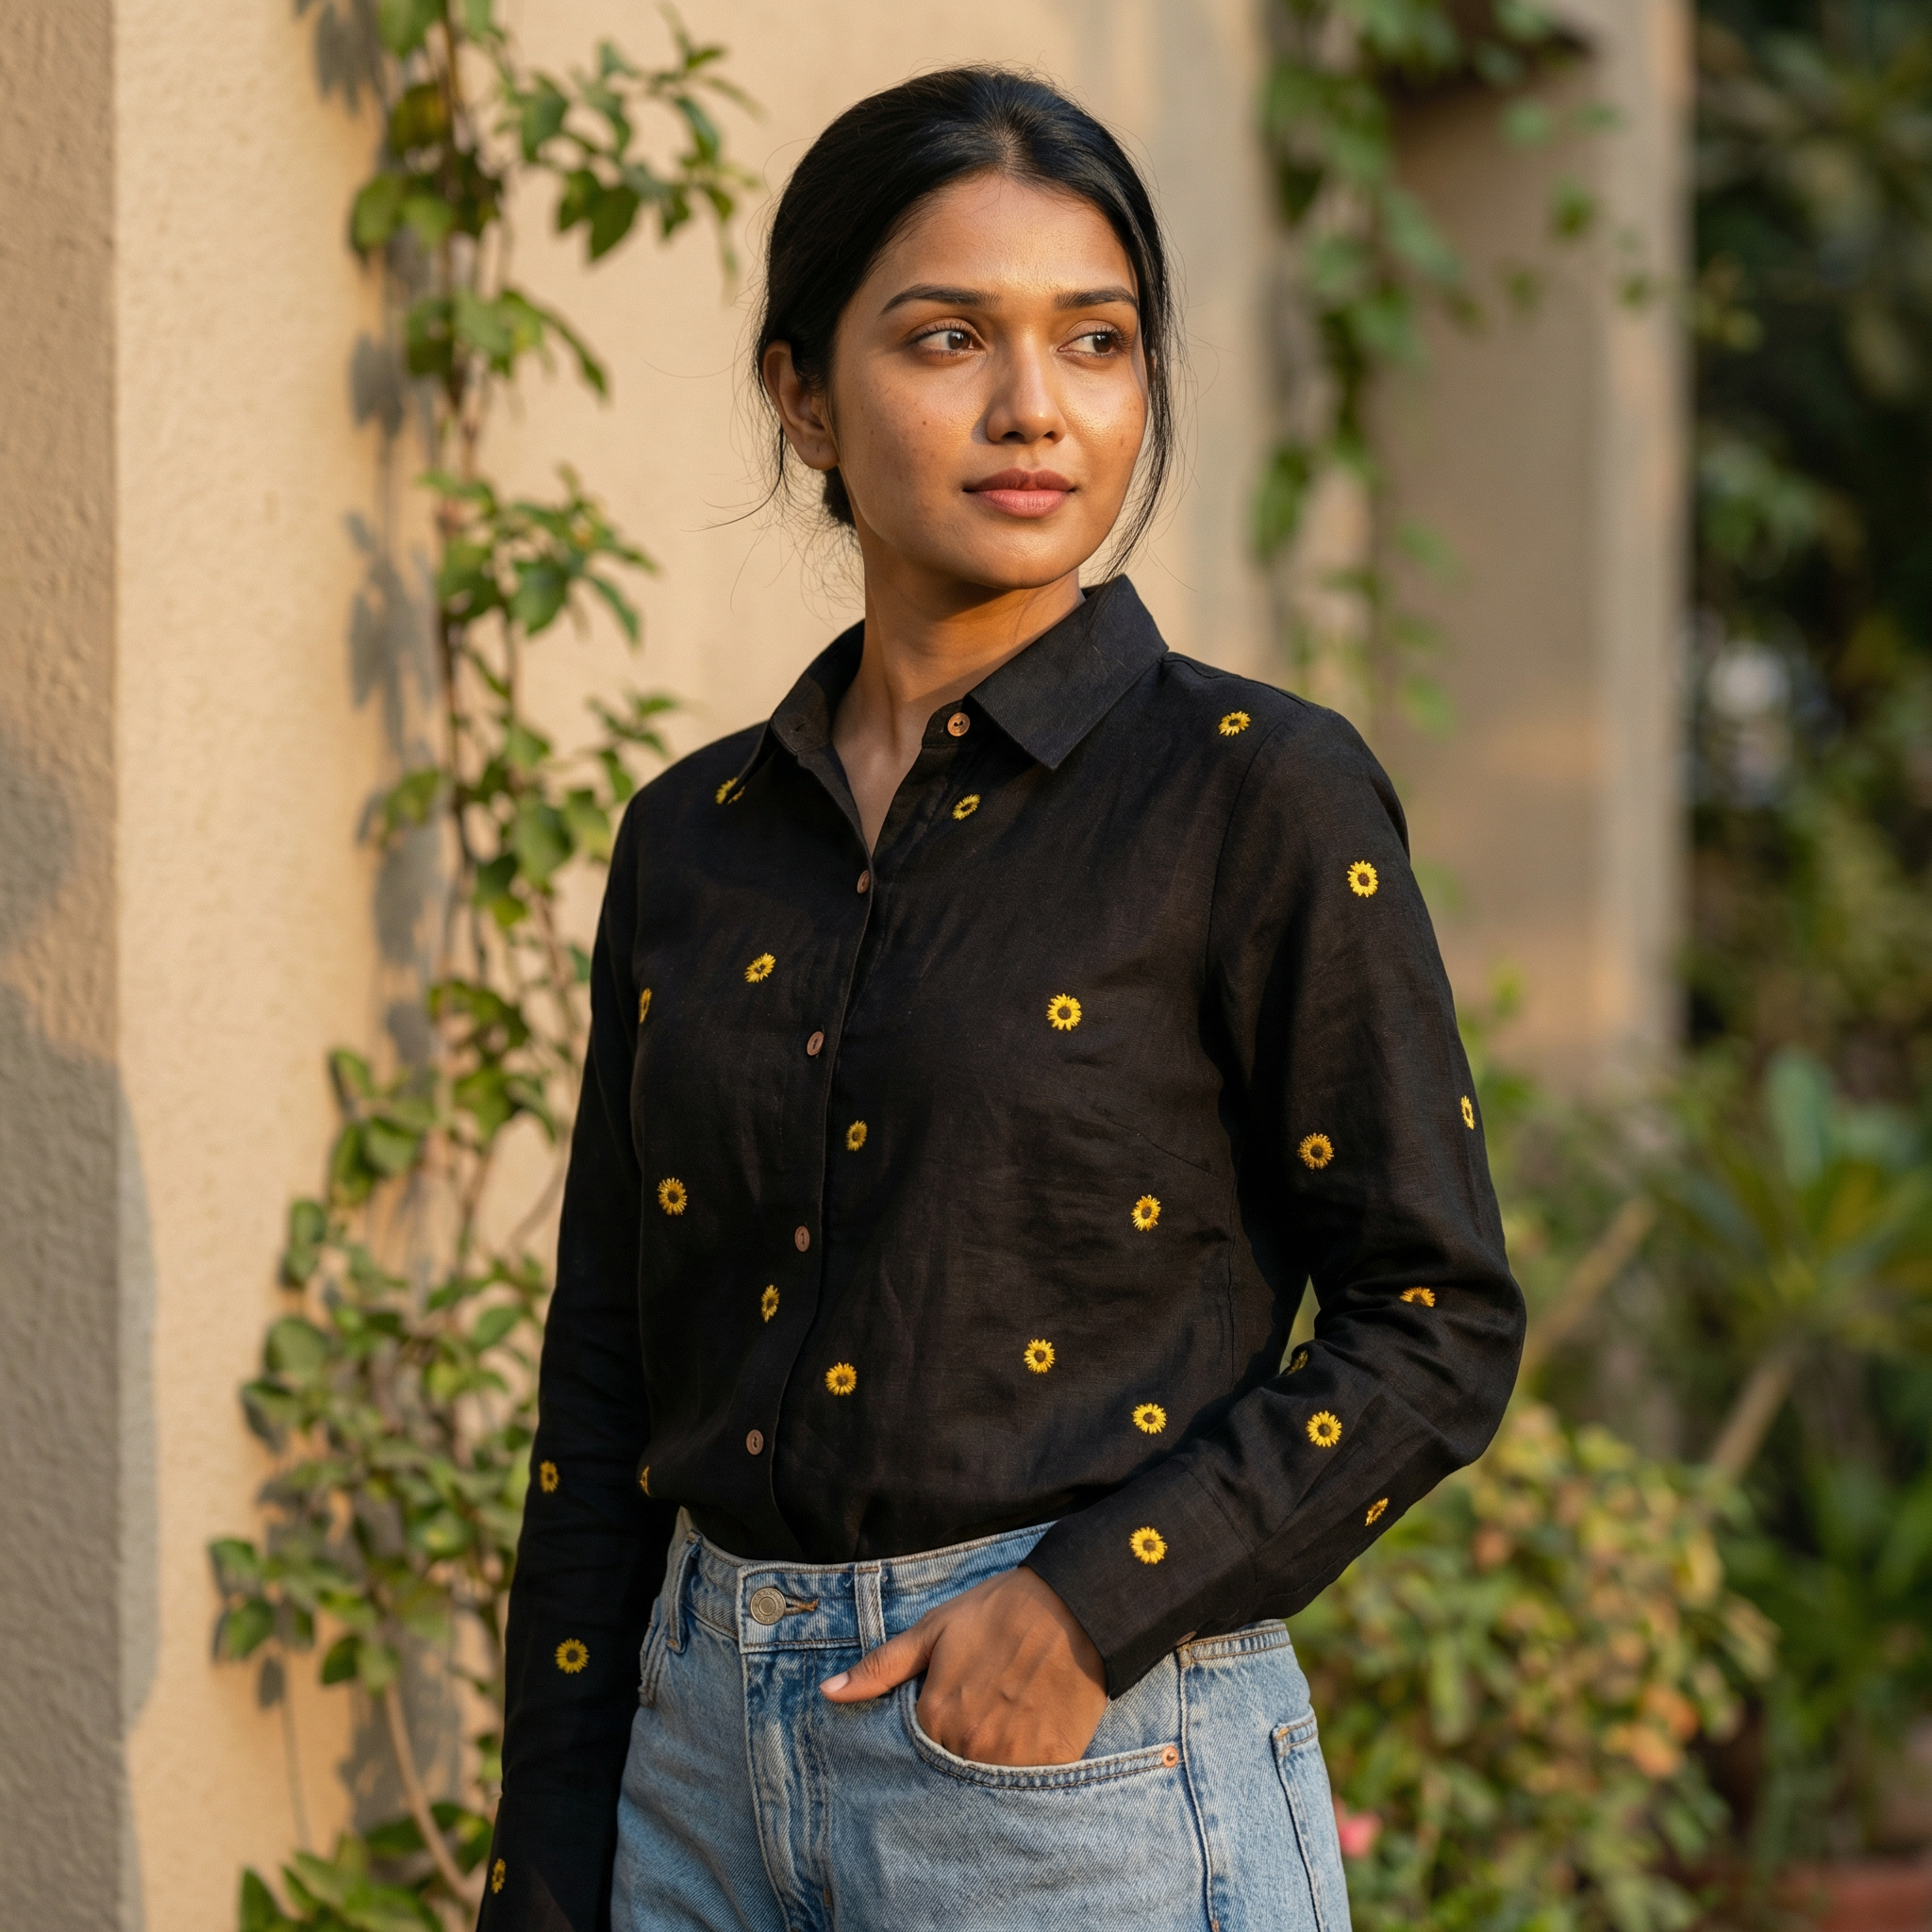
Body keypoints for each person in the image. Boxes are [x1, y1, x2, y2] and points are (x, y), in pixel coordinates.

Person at [479, 65, 1523, 1932]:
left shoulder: (1249, 793)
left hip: (1067, 1771)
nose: (1033, 406)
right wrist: (550, 1846)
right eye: (947, 337)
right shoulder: (694, 840)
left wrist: (1080, 1608)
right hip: (691, 1772)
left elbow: (1430, 1318)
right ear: (803, 393)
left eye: (1096, 340)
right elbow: (609, 1366)